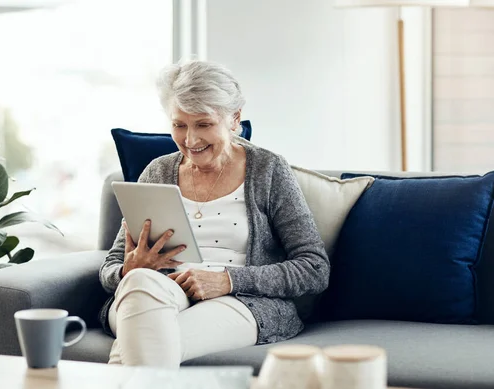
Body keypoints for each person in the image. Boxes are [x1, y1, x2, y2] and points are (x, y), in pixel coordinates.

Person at [98, 60, 330, 367]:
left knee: (148, 338)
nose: (190, 140)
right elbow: (110, 267)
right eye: (179, 125)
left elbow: (314, 269)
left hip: (237, 302)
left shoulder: (268, 170)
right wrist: (129, 270)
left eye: (203, 124)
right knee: (140, 285)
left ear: (234, 119)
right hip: (153, 291)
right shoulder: (157, 171)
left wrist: (228, 280)